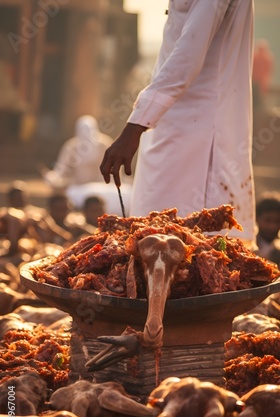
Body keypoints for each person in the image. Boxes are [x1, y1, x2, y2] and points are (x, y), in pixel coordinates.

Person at [100, 0, 256, 246]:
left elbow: (188, 56)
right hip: (169, 126)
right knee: (148, 239)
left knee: (191, 245)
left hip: (198, 133)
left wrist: (134, 127)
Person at [41, 115, 112, 189]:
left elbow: (111, 170)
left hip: (100, 187)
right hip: (77, 188)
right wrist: (52, 177)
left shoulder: (104, 145)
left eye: (88, 130)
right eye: (81, 130)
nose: (85, 133)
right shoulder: (71, 147)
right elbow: (61, 169)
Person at [255, 192, 280, 267]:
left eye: (277, 221)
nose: (272, 226)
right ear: (257, 219)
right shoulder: (246, 247)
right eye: (267, 220)